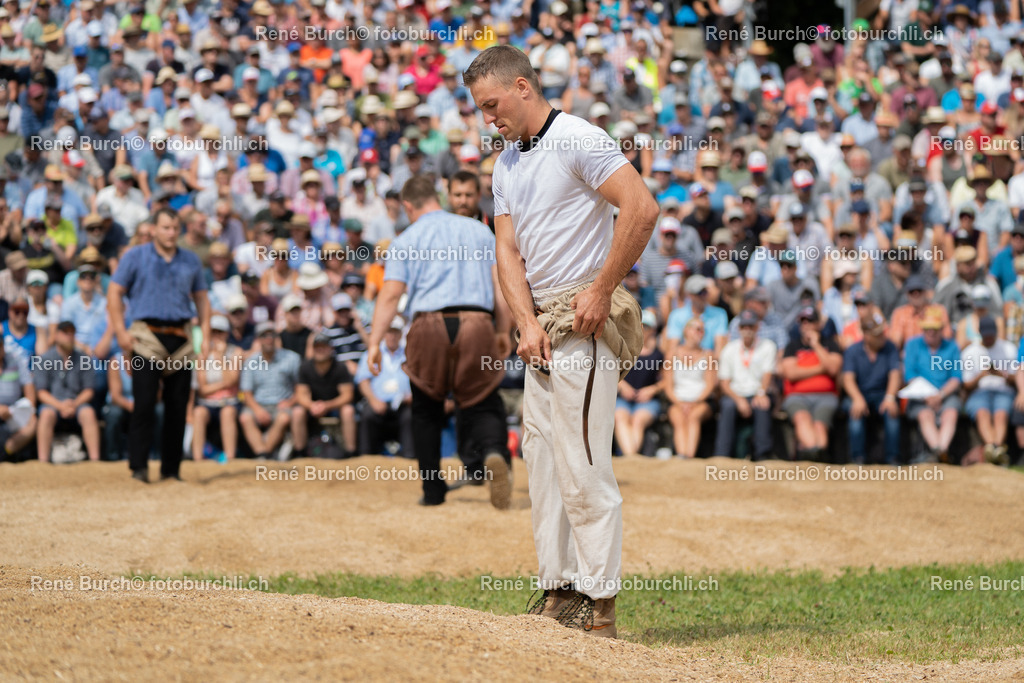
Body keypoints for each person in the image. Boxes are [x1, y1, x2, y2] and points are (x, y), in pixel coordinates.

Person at [465, 46, 657, 638]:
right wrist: (523, 322)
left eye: (493, 105)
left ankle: (601, 608)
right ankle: (560, 591)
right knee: (544, 461)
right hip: (541, 326)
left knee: (583, 460)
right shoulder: (506, 165)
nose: (488, 119)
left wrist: (601, 289)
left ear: (523, 87)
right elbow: (507, 251)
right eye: (480, 110)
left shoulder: (578, 136)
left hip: (583, 316)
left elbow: (642, 207)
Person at [367, 174, 512, 508]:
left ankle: (433, 492)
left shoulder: (406, 238)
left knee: (426, 409)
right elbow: (500, 287)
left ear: (407, 206)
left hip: (428, 324)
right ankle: (492, 452)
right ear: (438, 196)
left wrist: (375, 342)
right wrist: (503, 331)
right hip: (476, 321)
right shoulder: (478, 230)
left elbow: (390, 296)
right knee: (484, 399)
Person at [108, 207, 211, 483]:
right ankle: (139, 467)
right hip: (146, 336)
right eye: (166, 227)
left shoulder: (190, 260)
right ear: (153, 229)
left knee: (178, 406)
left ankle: (171, 470)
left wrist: (206, 334)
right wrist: (120, 331)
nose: (171, 233)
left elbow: (201, 298)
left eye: (175, 228)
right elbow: (114, 292)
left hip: (181, 337)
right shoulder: (135, 256)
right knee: (144, 403)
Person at [780, 307, 843, 460]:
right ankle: (814, 453)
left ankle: (813, 453)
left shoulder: (831, 345)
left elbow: (833, 369)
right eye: (803, 322)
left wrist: (816, 345)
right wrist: (821, 368)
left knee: (819, 426)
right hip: (797, 396)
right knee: (802, 419)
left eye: (810, 321)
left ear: (819, 324)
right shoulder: (792, 346)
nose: (806, 325)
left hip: (826, 397)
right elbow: (791, 374)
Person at [34, 320, 101, 463]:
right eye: (65, 333)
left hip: (76, 404)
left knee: (88, 413)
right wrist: (60, 406)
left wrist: (74, 404)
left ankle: (95, 461)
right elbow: (41, 392)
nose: (69, 336)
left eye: (72, 333)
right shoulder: (44, 358)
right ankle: (42, 462)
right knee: (46, 414)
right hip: (53, 404)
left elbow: (89, 390)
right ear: (56, 335)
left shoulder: (83, 358)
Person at [714, 310, 777, 460]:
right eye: (744, 327)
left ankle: (763, 456)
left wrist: (761, 393)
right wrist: (738, 399)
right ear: (739, 329)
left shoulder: (768, 346)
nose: (747, 330)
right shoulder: (729, 349)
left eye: (750, 326)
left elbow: (767, 375)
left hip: (758, 392)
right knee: (728, 406)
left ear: (757, 327)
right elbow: (724, 382)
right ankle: (721, 456)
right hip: (735, 394)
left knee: (762, 404)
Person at [842, 309, 902, 465]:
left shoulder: (890, 347)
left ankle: (892, 459)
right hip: (859, 393)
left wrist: (890, 398)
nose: (883, 335)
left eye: (882, 331)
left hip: (883, 393)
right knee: (855, 412)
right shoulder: (852, 351)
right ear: (866, 335)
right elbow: (848, 379)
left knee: (892, 412)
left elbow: (895, 374)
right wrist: (857, 399)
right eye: (878, 333)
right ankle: (857, 459)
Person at [238, 321, 304, 460]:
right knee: (245, 417)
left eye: (272, 335)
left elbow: (301, 389)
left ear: (277, 337)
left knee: (283, 418)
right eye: (264, 335)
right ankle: (263, 453)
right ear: (258, 339)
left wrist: (290, 402)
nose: (268, 339)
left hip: (282, 405)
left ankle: (263, 455)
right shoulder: (251, 361)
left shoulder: (292, 358)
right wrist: (258, 410)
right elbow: (246, 393)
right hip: (259, 404)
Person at [903, 310, 962, 463]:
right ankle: (940, 453)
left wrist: (940, 395)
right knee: (925, 415)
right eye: (927, 328)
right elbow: (909, 375)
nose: (930, 332)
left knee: (950, 414)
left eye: (934, 329)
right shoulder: (912, 344)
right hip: (920, 396)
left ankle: (939, 453)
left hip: (946, 394)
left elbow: (956, 378)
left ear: (941, 329)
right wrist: (927, 396)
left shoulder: (952, 347)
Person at [354, 316, 414, 458]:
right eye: (389, 332)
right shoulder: (373, 353)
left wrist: (412, 396)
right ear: (384, 334)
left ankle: (410, 458)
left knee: (411, 416)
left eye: (395, 332)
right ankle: (366, 457)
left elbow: (419, 378)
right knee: (367, 415)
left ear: (401, 334)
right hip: (378, 402)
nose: (392, 336)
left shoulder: (409, 354)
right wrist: (373, 400)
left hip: (403, 404)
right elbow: (363, 380)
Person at [962, 315, 1016, 465]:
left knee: (1001, 414)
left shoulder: (1008, 348)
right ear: (980, 333)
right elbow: (966, 385)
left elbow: (1016, 379)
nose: (989, 338)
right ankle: (994, 449)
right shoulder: (970, 352)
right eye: (986, 335)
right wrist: (981, 375)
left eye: (992, 335)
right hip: (980, 392)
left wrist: (1002, 374)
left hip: (1003, 391)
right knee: (982, 413)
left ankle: (995, 449)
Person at [662, 317, 716, 459]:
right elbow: (668, 386)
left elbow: (710, 385)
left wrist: (693, 402)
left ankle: (689, 457)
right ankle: (682, 455)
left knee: (694, 417)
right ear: (686, 330)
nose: (701, 333)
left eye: (703, 330)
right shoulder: (672, 353)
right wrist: (681, 403)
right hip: (677, 400)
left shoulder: (708, 354)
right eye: (697, 329)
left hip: (700, 401)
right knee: (678, 417)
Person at [191, 314, 243, 462]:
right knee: (199, 413)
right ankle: (197, 459)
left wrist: (220, 359)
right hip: (208, 403)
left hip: (230, 401)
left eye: (220, 332)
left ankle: (230, 458)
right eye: (213, 332)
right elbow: (202, 389)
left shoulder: (236, 352)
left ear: (227, 333)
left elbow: (233, 381)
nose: (217, 335)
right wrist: (224, 385)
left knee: (227, 413)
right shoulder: (202, 356)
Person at [296, 332, 356, 458]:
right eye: (317, 347)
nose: (320, 350)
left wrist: (326, 406)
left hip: (334, 407)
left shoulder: (340, 367)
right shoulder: (305, 367)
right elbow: (301, 395)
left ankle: (351, 453)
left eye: (323, 346)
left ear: (331, 349)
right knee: (297, 412)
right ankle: (299, 453)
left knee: (348, 410)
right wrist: (312, 406)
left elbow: (347, 395)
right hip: (313, 408)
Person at [613, 310, 663, 457]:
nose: (642, 329)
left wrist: (652, 390)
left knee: (638, 420)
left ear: (653, 330)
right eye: (640, 325)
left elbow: (666, 380)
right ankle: (632, 457)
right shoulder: (624, 348)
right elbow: (612, 373)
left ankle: (630, 457)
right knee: (620, 417)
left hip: (647, 400)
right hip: (624, 398)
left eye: (646, 327)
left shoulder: (659, 353)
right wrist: (623, 386)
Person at [0, 340, 36, 460]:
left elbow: (28, 385)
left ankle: (5, 452)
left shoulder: (15, 359)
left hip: (14, 410)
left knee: (32, 422)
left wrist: (31, 410)